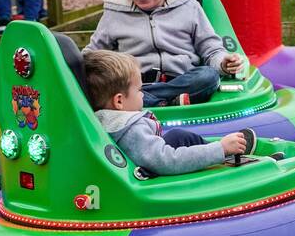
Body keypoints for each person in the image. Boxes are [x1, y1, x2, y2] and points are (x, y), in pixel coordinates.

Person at [87, 0, 244, 107]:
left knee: (208, 76)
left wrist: (223, 63)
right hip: (137, 86)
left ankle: (153, 102)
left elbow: (211, 49)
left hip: (184, 79)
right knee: (116, 92)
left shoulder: (189, 6)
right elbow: (93, 55)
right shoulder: (114, 12)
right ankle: (168, 101)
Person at [84, 50, 250, 176]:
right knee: (183, 141)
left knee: (180, 136)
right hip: (155, 173)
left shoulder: (105, 119)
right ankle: (226, 154)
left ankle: (229, 153)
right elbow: (168, 161)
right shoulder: (131, 129)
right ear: (119, 101)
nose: (143, 94)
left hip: (150, 158)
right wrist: (219, 149)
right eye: (140, 90)